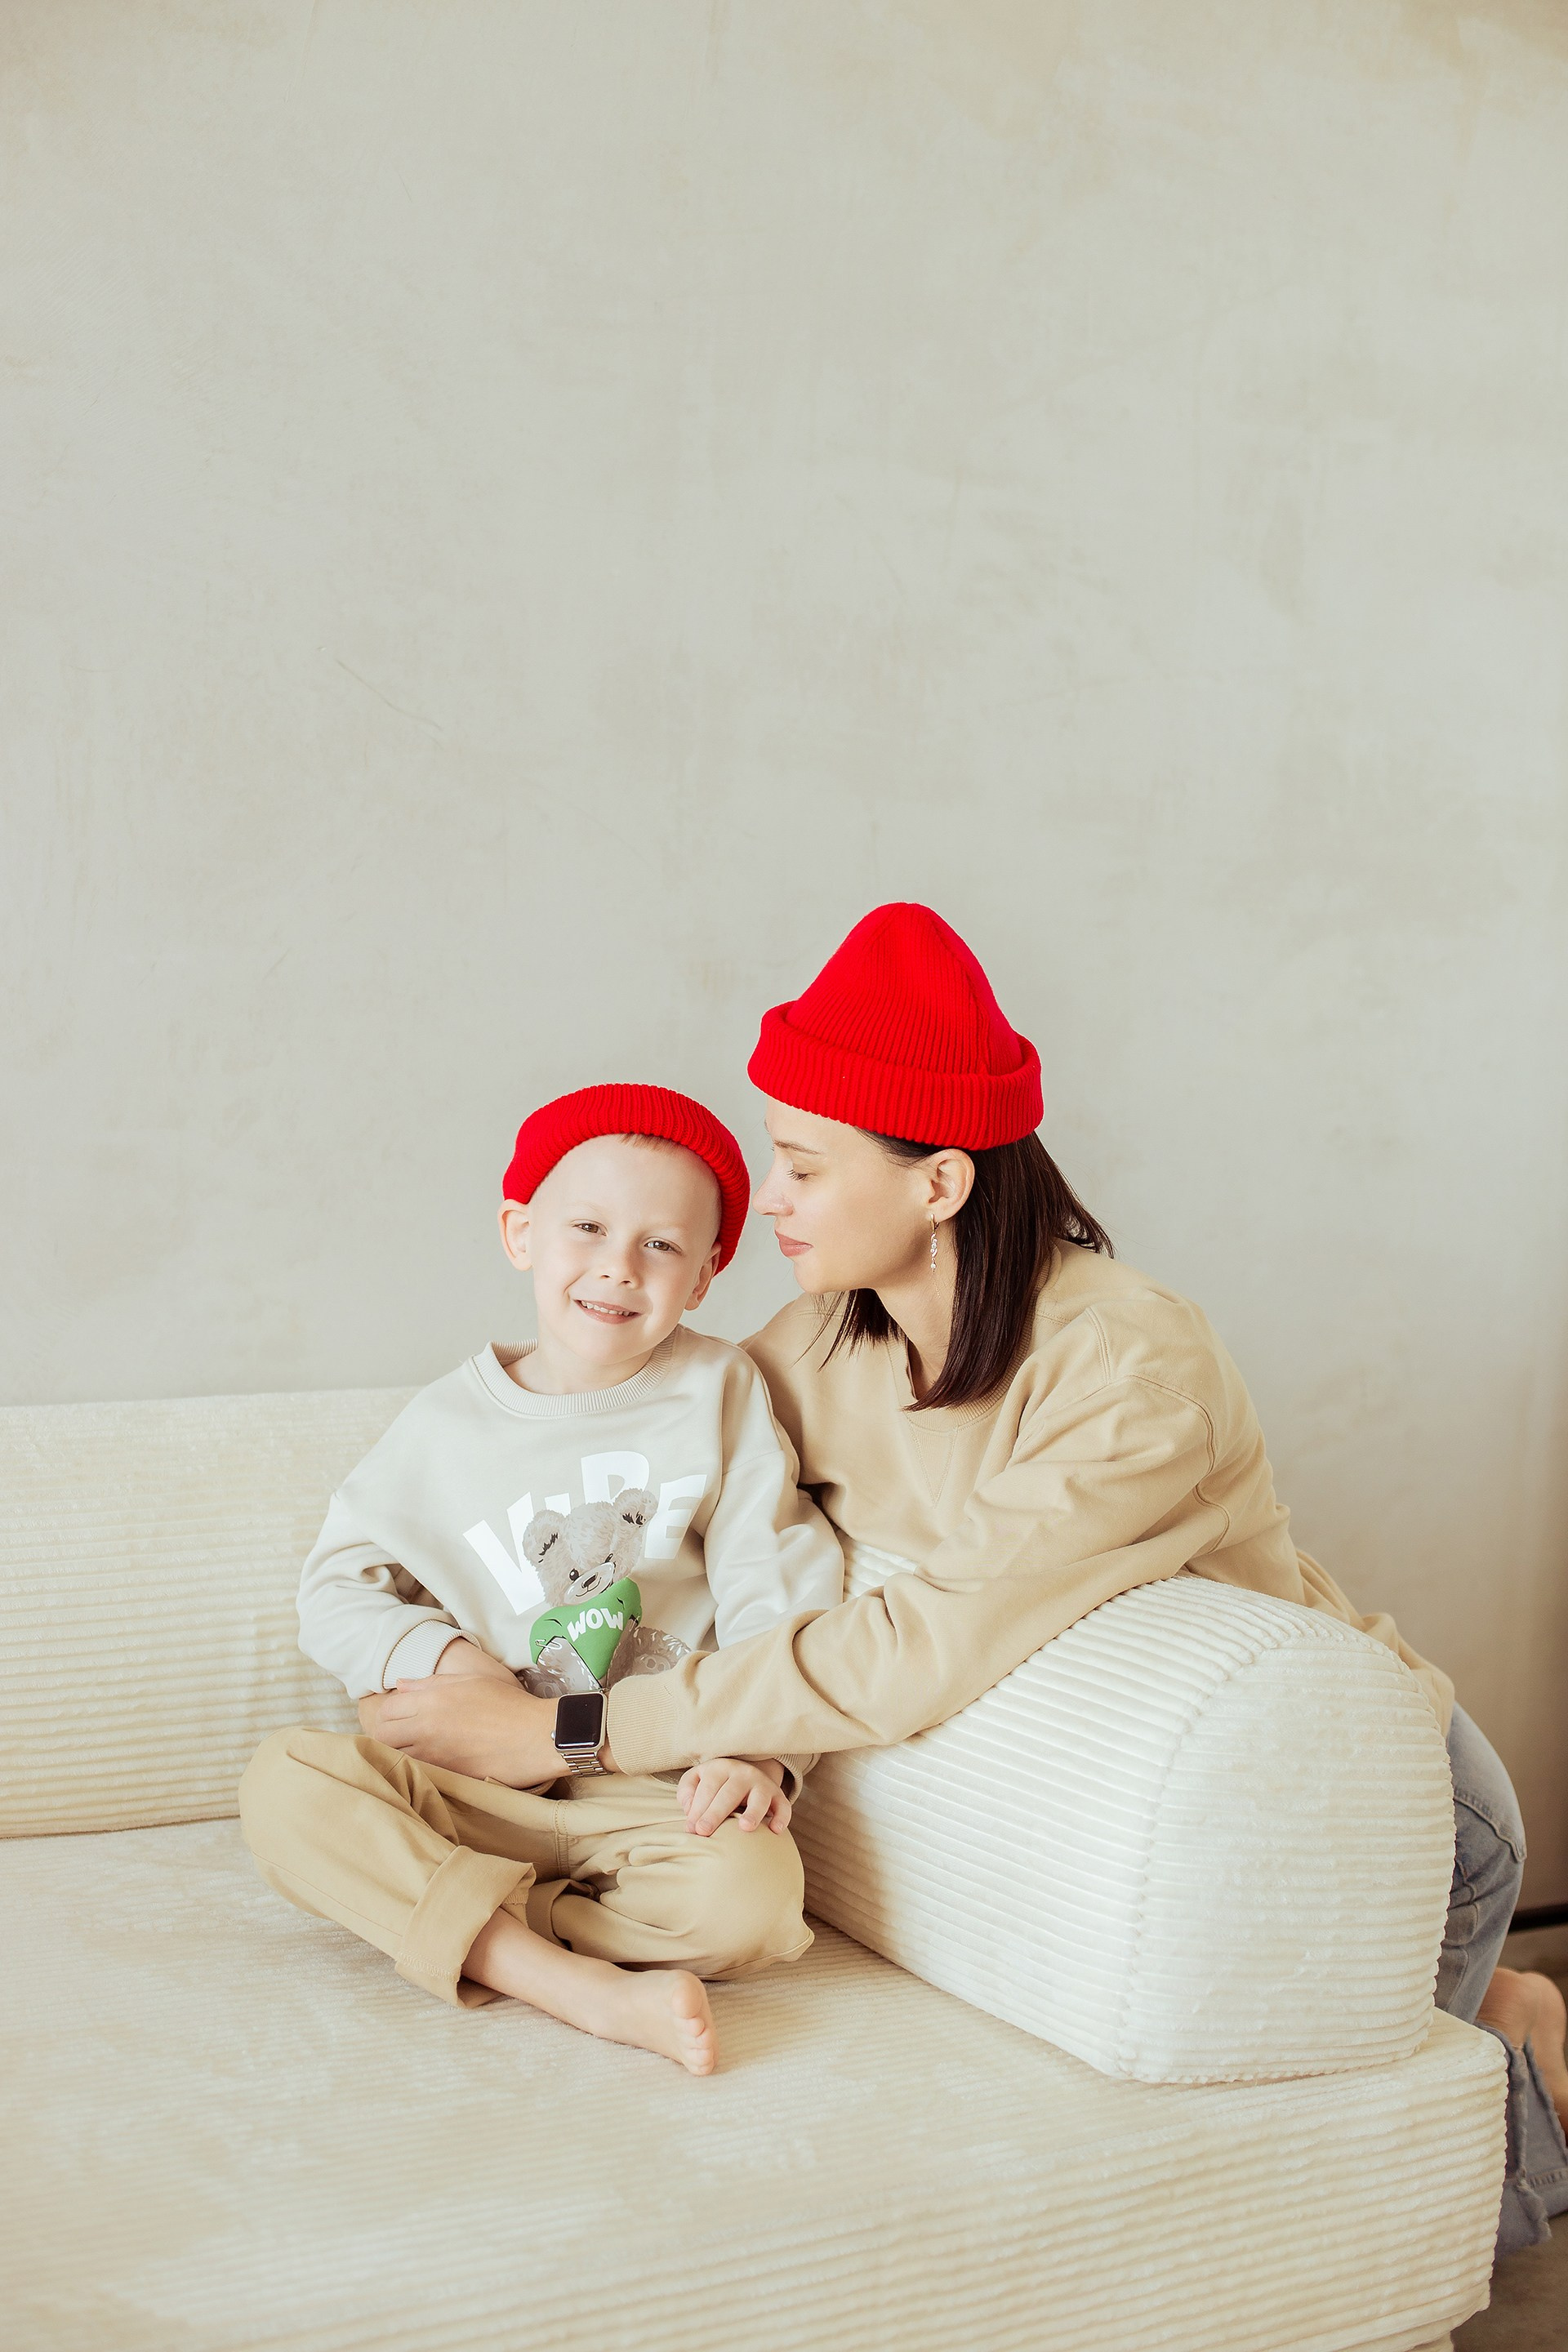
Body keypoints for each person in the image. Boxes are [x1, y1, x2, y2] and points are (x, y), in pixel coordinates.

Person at [359, 906, 1567, 2246]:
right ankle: (1505, 2011)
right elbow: (657, 1471)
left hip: (1376, 1805)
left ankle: (1509, 2044)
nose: (770, 1201)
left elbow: (916, 1646)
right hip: (1180, 1811)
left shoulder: (1130, 1372)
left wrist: (562, 1731)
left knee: (1411, 2226)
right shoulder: (826, 1339)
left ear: (938, 1184)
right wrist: (446, 1634)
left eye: (803, 1168)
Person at [238, 1084, 844, 2076]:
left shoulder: (715, 1390)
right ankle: (575, 1985)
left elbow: (776, 1577)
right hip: (472, 1790)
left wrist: (760, 1753)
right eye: (588, 1228)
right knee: (285, 1786)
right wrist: (449, 1662)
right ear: (521, 1232)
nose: (619, 1266)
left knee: (754, 1897)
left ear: (705, 1275)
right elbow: (336, 1587)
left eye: (661, 1244)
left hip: (649, 1793)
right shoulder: (443, 1427)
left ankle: (490, 1930)